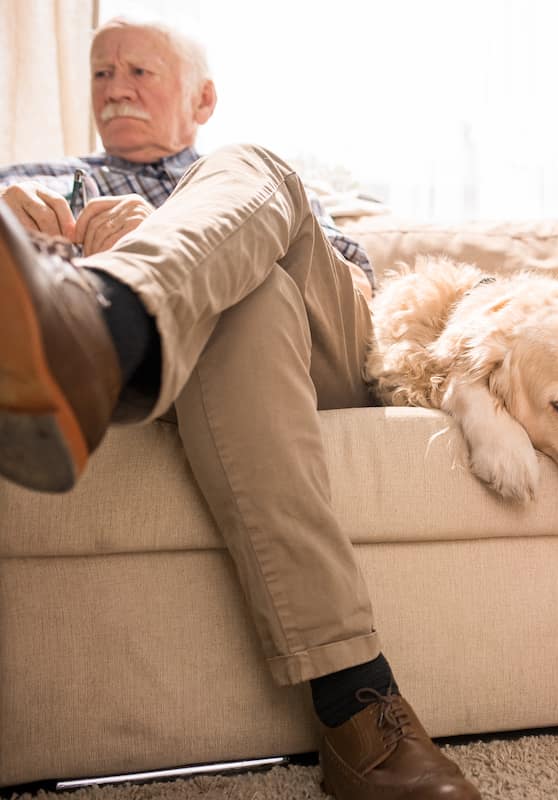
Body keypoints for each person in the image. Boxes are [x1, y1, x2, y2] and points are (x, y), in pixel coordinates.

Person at [0, 17, 480, 800]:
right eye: (100, 72)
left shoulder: (239, 174)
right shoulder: (35, 174)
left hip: (309, 358)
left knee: (256, 227)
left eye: (140, 72)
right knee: (245, 303)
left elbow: (355, 296)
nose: (115, 86)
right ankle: (358, 709)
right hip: (152, 385)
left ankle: (108, 320)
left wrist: (158, 238)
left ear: (202, 97)